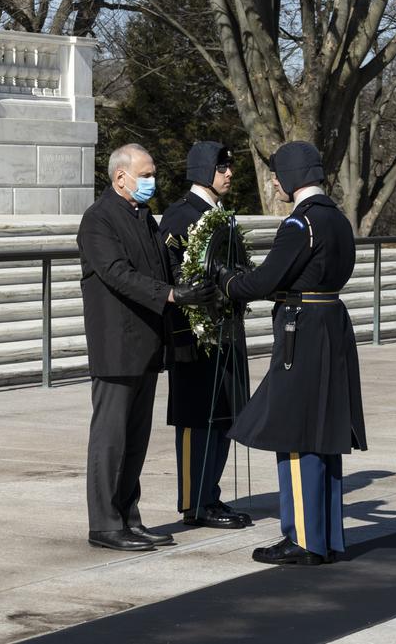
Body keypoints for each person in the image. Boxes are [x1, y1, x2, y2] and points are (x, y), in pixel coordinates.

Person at [217, 141, 366, 566]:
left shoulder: (301, 224)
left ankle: (302, 539)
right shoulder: (337, 219)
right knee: (324, 434)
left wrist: (228, 282)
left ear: (292, 177)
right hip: (331, 321)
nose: (276, 182)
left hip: (303, 329)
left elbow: (265, 280)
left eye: (279, 174)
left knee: (296, 432)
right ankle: (327, 538)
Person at [76, 143, 215, 552]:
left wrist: (193, 281)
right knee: (111, 438)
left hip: (147, 344)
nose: (152, 181)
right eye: (146, 173)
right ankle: (104, 523)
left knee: (134, 440)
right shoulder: (98, 220)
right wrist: (172, 295)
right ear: (121, 177)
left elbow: (160, 265)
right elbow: (118, 274)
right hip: (117, 346)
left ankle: (128, 517)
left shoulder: (143, 218)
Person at [158, 141, 253, 529]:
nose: (229, 173)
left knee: (224, 416)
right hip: (194, 335)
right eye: (222, 167)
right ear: (202, 171)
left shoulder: (220, 216)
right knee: (196, 420)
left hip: (226, 331)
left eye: (229, 166)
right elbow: (169, 274)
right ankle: (194, 502)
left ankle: (210, 495)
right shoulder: (180, 217)